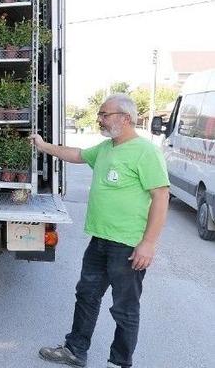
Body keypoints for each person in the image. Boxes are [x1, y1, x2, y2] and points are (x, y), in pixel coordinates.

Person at [32, 93, 169, 368]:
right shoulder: (107, 148)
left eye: (105, 114)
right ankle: (75, 350)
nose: (100, 119)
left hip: (128, 245)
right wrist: (44, 146)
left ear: (126, 118)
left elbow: (161, 196)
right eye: (100, 114)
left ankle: (119, 362)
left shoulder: (146, 151)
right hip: (100, 241)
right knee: (86, 295)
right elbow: (77, 154)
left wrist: (148, 243)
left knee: (125, 309)